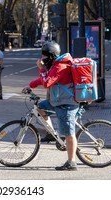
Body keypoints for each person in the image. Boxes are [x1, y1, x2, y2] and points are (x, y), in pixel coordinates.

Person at [22, 41, 79, 171]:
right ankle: (51, 133)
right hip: (57, 102)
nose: (42, 59)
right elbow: (45, 79)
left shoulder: (60, 67)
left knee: (69, 134)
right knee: (40, 108)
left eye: (44, 56)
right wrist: (30, 85)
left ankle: (72, 162)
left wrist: (41, 69)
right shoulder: (55, 65)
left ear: (51, 56)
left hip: (67, 104)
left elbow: (47, 82)